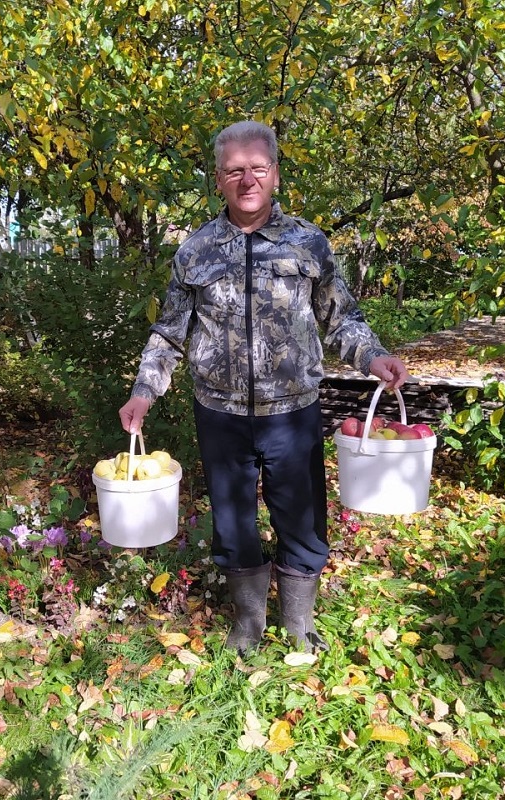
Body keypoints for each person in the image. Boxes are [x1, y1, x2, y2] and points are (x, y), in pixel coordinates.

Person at [118, 121, 410, 653]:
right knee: (232, 524)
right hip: (220, 413)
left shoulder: (307, 242)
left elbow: (341, 318)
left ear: (274, 174)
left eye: (256, 168)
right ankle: (248, 627)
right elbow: (169, 333)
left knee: (301, 518)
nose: (246, 179)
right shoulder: (196, 252)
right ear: (218, 179)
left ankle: (298, 626)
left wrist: (375, 356)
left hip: (292, 413)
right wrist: (144, 391)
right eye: (234, 171)